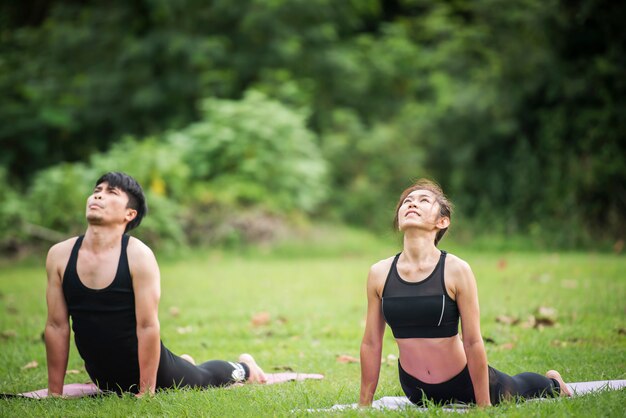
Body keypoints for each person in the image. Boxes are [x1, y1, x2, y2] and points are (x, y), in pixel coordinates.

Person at [44, 172, 266, 397]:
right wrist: (54, 393)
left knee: (202, 377)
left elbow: (148, 326)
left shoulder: (138, 255)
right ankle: (185, 362)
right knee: (186, 369)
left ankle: (246, 367)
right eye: (97, 191)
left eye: (111, 192)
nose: (98, 197)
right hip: (102, 376)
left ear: (129, 214)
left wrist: (147, 392)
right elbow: (56, 326)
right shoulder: (60, 255)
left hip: (156, 373)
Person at [359, 179, 571, 407]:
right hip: (415, 390)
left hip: (464, 382)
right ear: (400, 219)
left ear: (442, 221)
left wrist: (483, 405)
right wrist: (364, 406)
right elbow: (371, 343)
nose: (412, 204)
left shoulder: (456, 269)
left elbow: (472, 341)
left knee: (519, 387)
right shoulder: (379, 273)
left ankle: (555, 384)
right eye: (407, 202)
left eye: (423, 200)